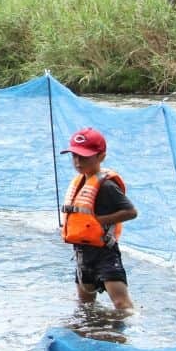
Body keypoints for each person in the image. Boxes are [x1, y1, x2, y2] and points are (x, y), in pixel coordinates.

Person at [60, 127, 137, 311]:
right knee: (85, 306)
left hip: (105, 253)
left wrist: (100, 220)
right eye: (74, 156)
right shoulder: (80, 182)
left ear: (101, 157)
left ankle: (127, 335)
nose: (78, 162)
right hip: (82, 252)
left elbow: (131, 212)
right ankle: (89, 334)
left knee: (121, 304)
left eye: (84, 157)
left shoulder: (107, 186)